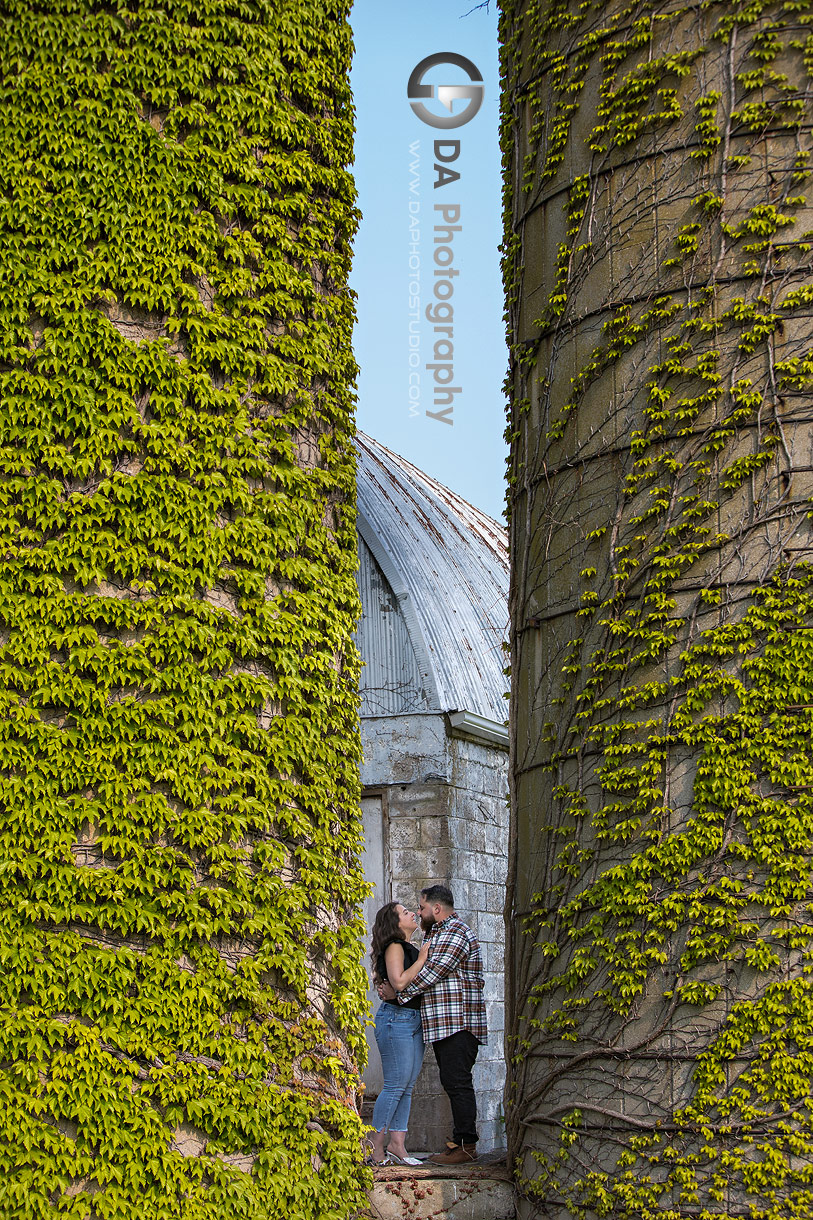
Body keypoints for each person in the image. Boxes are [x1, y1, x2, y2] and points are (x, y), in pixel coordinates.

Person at [380, 884, 487, 1165]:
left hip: (460, 1023)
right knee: (452, 1081)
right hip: (444, 1025)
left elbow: (431, 974)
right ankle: (460, 1143)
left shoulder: (456, 933)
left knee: (457, 1081)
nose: (418, 912)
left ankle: (465, 1146)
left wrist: (398, 993)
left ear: (436, 909)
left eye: (421, 907)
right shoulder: (436, 934)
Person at [367, 901, 429, 1166]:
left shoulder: (410, 948)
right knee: (394, 1085)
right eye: (405, 913)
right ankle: (374, 1146)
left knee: (407, 1086)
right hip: (396, 1020)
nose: (412, 914)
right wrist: (423, 959)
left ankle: (397, 1145)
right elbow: (400, 981)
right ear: (395, 923)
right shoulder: (395, 946)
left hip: (413, 1019)